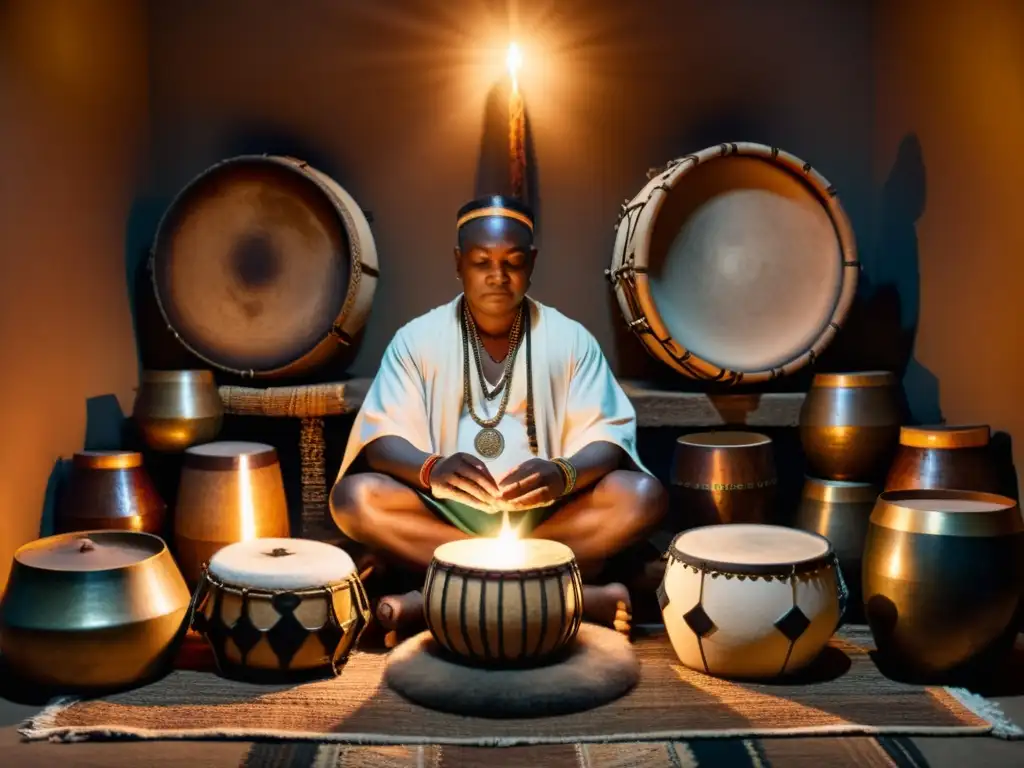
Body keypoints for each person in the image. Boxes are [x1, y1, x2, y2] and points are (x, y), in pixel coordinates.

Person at [330, 195, 667, 639]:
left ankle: (445, 592)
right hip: (447, 513)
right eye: (481, 261)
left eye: (513, 262)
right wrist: (432, 470)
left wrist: (563, 474)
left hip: (547, 514)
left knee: (642, 495)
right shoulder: (417, 339)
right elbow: (381, 439)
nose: (497, 276)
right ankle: (561, 590)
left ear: (532, 264)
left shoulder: (570, 339)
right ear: (458, 263)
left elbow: (607, 436)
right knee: (354, 500)